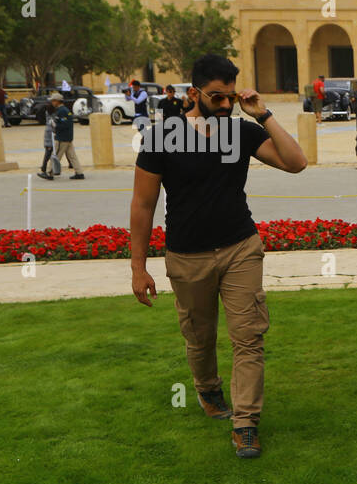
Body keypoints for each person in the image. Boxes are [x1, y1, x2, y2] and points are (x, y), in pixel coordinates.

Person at [129, 53, 307, 459]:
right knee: (199, 335)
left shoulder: (242, 131)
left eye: (231, 97)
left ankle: (245, 423)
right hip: (186, 256)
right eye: (217, 97)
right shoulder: (162, 136)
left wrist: (263, 115)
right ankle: (208, 388)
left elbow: (296, 163)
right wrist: (139, 268)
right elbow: (143, 204)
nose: (226, 105)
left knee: (249, 337)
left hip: (240, 248)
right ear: (194, 93)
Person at [47, 93, 86, 179]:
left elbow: (65, 124)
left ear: (57, 101)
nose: (52, 103)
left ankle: (50, 172)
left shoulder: (61, 111)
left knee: (56, 155)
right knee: (72, 156)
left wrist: (55, 125)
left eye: (53, 101)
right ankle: (79, 173)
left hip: (62, 138)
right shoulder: (64, 110)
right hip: (68, 137)